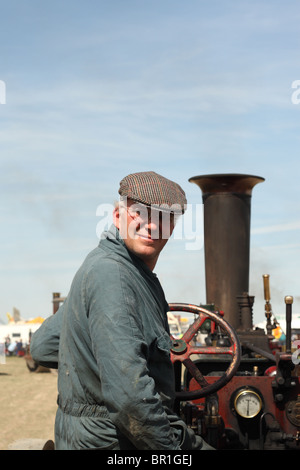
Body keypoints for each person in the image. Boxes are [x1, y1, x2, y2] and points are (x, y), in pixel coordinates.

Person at [31, 171, 213, 450]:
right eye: (140, 212)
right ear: (118, 216)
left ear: (174, 226)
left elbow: (43, 346)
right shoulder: (114, 276)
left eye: (164, 216)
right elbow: (130, 401)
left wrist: (91, 363)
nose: (151, 225)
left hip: (86, 434)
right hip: (114, 442)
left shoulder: (110, 266)